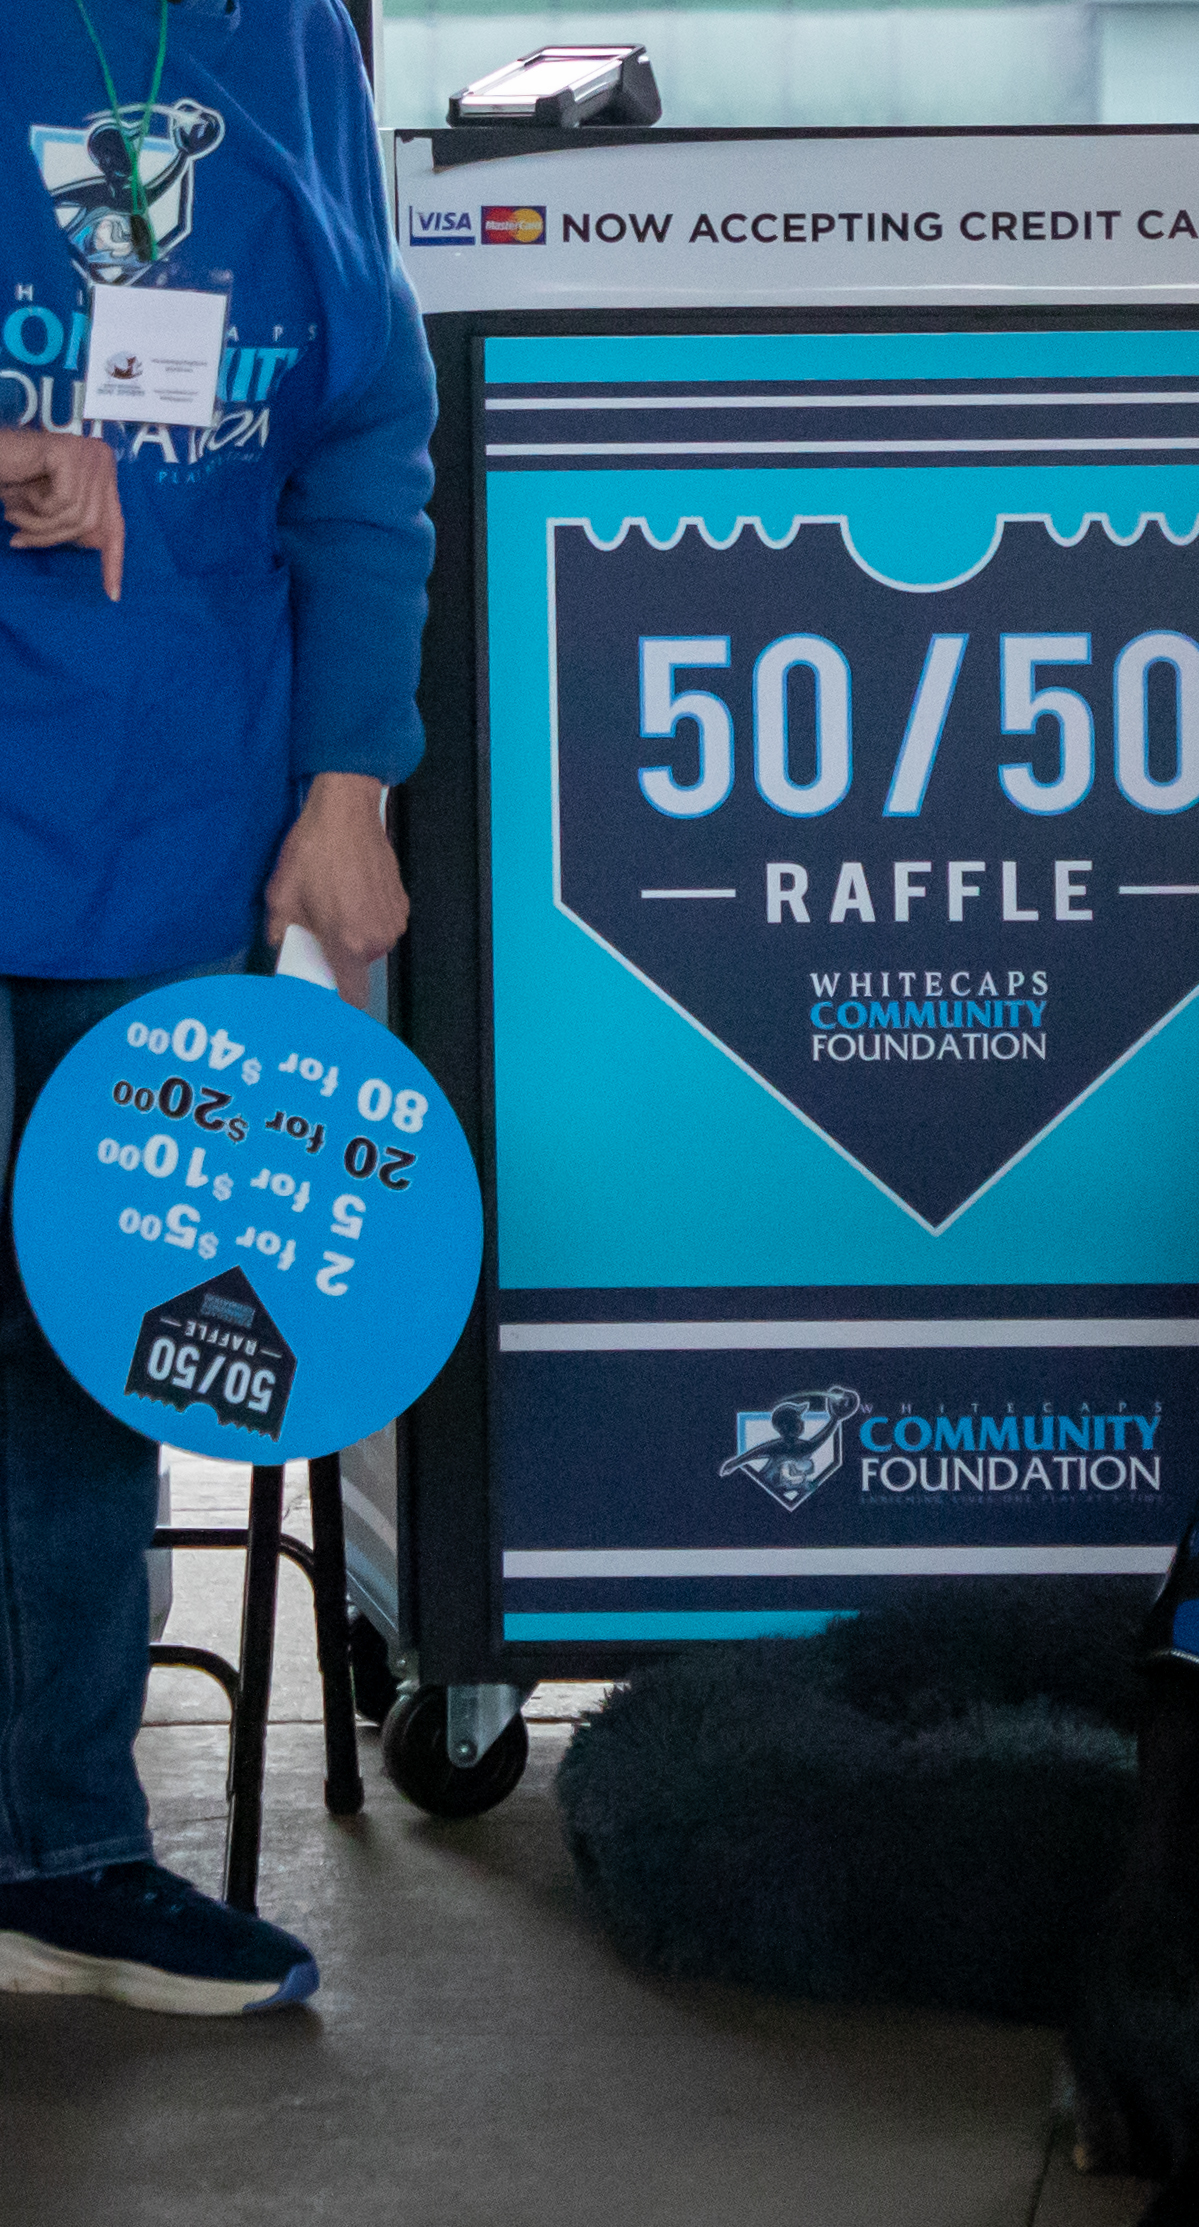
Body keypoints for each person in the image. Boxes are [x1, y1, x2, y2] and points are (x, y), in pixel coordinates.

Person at [1, 0, 433, 2015]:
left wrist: (348, 779)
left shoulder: (289, 48)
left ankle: (61, 1847)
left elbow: (363, 438)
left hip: (174, 801)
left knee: (93, 1336)